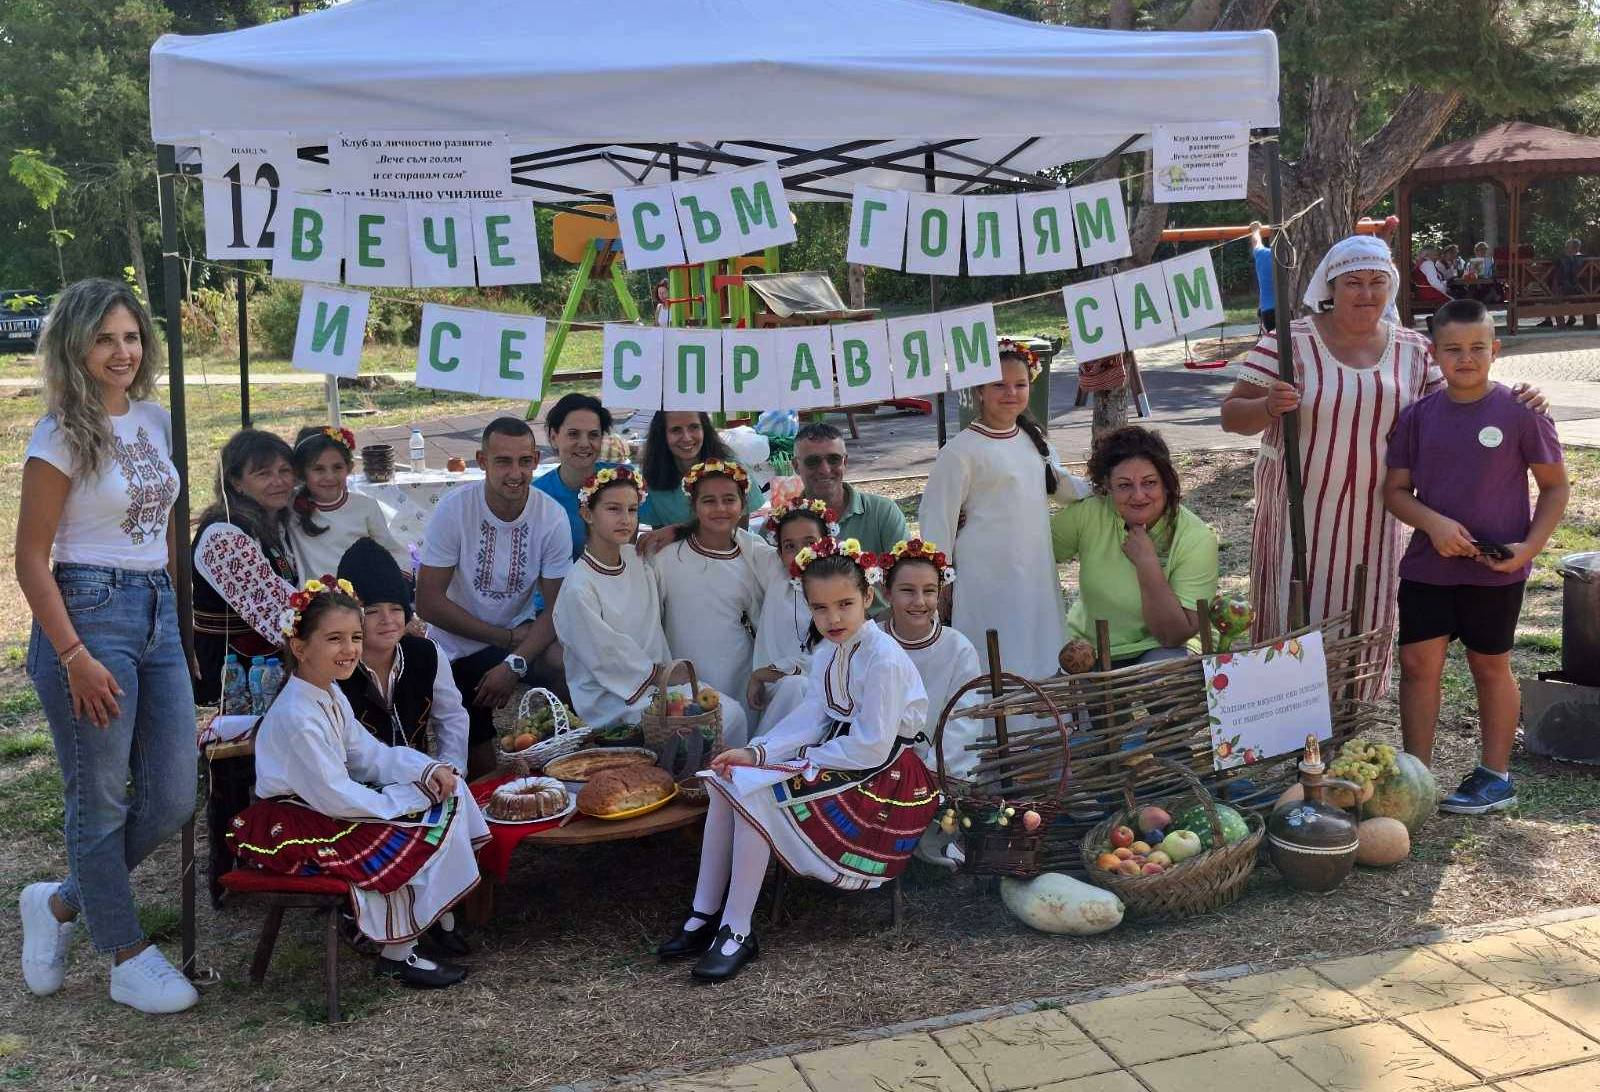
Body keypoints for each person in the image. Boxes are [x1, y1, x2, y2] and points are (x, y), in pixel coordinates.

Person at [1221, 234, 1546, 693]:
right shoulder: (1288, 343)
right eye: (1353, 282)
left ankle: (1352, 717)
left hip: (1377, 518)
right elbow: (1232, 416)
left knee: (1363, 617)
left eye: (1377, 282)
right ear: (1331, 285)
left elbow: (1459, 408)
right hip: (1298, 515)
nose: (1366, 293)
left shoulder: (1413, 349)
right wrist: (1267, 407)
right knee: (1292, 616)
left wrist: (1519, 398)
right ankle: (1289, 720)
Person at [16, 278, 198, 1014]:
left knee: (172, 794)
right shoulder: (59, 433)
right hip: (88, 614)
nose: (122, 353)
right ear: (74, 347)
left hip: (156, 610)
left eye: (130, 337)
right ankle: (124, 954)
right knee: (99, 798)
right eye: (103, 340)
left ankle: (60, 902)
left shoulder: (153, 419)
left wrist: (177, 626)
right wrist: (73, 656)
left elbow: (166, 532)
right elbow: (30, 558)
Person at [656, 539, 938, 982]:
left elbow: (871, 746)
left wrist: (801, 761)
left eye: (845, 604)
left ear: (868, 596)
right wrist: (757, 752)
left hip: (888, 778)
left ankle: (737, 929)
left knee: (756, 795)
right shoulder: (828, 652)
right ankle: (704, 912)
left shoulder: (882, 658)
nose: (833, 618)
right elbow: (813, 716)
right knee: (726, 781)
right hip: (844, 758)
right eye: (820, 608)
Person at [226, 579, 488, 989]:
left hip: (323, 807)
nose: (349, 649)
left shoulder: (328, 693)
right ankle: (399, 952)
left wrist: (425, 770)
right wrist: (402, 804)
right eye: (334, 639)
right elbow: (334, 794)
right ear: (299, 647)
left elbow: (369, 754)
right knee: (409, 834)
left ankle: (431, 921)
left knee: (448, 795)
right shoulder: (298, 715)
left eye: (354, 637)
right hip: (295, 822)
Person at [1383, 298, 1567, 814]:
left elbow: (1555, 488)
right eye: (1453, 349)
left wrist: (1527, 549)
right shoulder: (1417, 417)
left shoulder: (1522, 412)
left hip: (1496, 569)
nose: (1465, 358)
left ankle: (1495, 776)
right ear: (1434, 354)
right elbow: (1394, 491)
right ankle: (1416, 779)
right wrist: (1433, 524)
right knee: (1417, 664)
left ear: (1495, 350)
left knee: (1490, 665)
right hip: (1429, 566)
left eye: (1477, 348)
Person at [416, 417, 572, 779]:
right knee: (475, 746)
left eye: (524, 461)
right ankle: (485, 792)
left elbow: (557, 608)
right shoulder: (455, 509)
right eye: (503, 461)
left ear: (536, 460)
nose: (515, 473)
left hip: (518, 639)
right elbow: (427, 603)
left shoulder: (550, 516)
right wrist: (503, 639)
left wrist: (514, 663)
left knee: (564, 660)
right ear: (482, 461)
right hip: (456, 644)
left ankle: (560, 759)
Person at [551, 465, 749, 740]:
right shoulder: (579, 586)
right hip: (616, 700)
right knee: (726, 717)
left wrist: (677, 530)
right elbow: (606, 656)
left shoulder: (637, 559)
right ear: (587, 514)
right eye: (613, 509)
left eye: (632, 510)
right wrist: (659, 674)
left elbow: (688, 558)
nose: (625, 519)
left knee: (730, 713)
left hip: (661, 685)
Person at [919, 343, 1077, 679]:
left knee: (1038, 645)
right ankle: (995, 712)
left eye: (1020, 385)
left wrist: (1107, 488)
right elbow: (937, 519)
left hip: (1033, 570)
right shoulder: (960, 451)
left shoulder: (1035, 441)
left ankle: (1042, 708)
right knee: (995, 653)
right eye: (999, 385)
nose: (1011, 393)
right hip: (985, 576)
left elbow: (1061, 484)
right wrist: (940, 579)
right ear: (979, 390)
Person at [1050, 426, 1219, 667]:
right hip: (1090, 648)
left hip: (1161, 649)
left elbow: (1173, 636)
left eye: (1149, 483)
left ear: (1166, 483)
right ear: (1108, 486)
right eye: (1124, 485)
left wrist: (1147, 563)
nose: (1138, 496)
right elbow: (1031, 555)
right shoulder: (1089, 513)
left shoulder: (1196, 539)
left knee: (1165, 675)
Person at [648, 460, 779, 740]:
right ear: (693, 505)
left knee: (739, 728)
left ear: (743, 505)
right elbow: (650, 619)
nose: (720, 508)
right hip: (686, 672)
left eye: (729, 500)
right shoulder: (668, 557)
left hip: (740, 666)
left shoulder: (754, 553)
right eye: (708, 501)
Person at [336, 536, 470, 773]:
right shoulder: (336, 671)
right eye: (373, 611)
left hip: (425, 782)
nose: (388, 620)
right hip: (360, 789)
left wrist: (452, 770)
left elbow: (452, 717)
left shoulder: (426, 654)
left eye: (396, 608)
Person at [191, 428, 300, 704]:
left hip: (266, 660)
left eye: (285, 471)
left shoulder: (277, 521)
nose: (278, 481)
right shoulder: (223, 536)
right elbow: (275, 610)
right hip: (233, 671)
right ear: (236, 482)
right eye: (263, 474)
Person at [877, 539, 981, 781]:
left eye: (929, 590)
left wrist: (931, 775)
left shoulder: (958, 649)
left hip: (935, 776)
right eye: (907, 590)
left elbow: (964, 720)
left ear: (940, 592)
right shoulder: (871, 642)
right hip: (875, 767)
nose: (919, 601)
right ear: (887, 593)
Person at [748, 498, 833, 732]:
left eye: (810, 543)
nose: (801, 553)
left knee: (796, 686)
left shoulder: (838, 589)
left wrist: (769, 672)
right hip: (773, 690)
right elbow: (733, 535)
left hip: (818, 691)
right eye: (789, 546)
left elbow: (831, 656)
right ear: (778, 552)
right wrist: (677, 530)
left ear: (827, 542)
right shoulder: (777, 573)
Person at [287, 425, 410, 579]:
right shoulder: (290, 507)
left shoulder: (365, 506)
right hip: (313, 593)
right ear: (301, 472)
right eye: (318, 469)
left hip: (361, 591)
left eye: (337, 467)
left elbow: (392, 551)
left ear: (349, 468)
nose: (330, 477)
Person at [791, 422, 910, 553]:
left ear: (845, 462)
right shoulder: (783, 522)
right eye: (813, 461)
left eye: (833, 459)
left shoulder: (882, 512)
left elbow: (907, 565)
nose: (825, 469)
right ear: (796, 466)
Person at [637, 411, 760, 531]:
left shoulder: (732, 468)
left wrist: (677, 532)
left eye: (694, 427)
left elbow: (737, 535)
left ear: (704, 429)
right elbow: (660, 537)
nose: (687, 438)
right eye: (676, 430)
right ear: (661, 434)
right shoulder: (651, 475)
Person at [534, 392, 614, 561]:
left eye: (593, 435)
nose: (584, 443)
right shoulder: (536, 497)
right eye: (573, 434)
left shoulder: (623, 481)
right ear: (553, 437)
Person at [1250, 221, 1277, 333]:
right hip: (1287, 309)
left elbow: (1256, 242)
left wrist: (1255, 230)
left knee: (1274, 341)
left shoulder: (1263, 254)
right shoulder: (1291, 258)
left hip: (1268, 310)